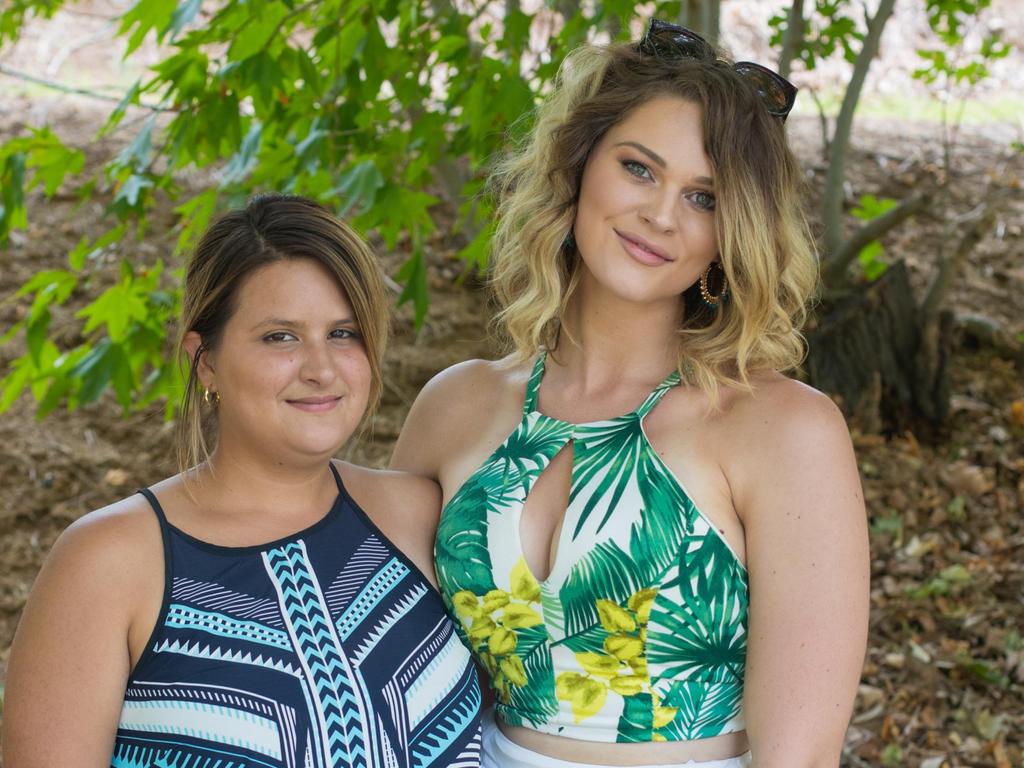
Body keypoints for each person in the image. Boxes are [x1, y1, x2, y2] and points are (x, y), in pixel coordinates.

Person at [390, 19, 869, 768]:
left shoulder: (781, 428)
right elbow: (392, 658)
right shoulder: (457, 404)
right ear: (578, 165)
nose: (661, 216)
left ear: (731, 233)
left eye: (705, 198)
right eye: (640, 169)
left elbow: (799, 758)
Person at [3, 195, 482, 768]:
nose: (321, 368)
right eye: (280, 336)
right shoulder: (108, 563)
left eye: (343, 332)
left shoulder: (419, 515)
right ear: (205, 360)